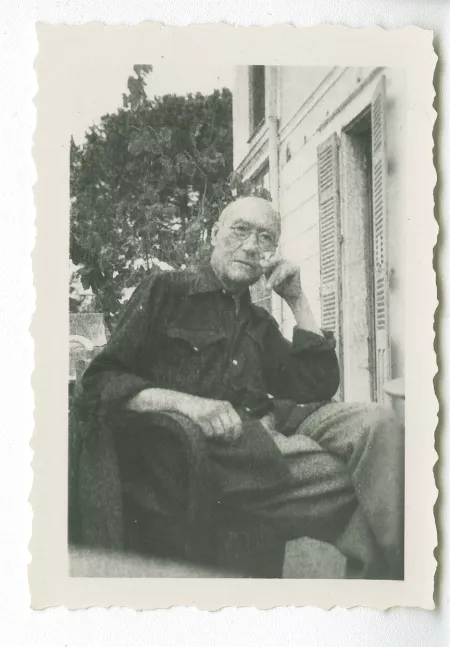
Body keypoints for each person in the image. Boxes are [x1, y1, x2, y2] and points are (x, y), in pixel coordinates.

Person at [75, 196, 404, 579]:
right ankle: (393, 599)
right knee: (367, 488)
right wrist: (189, 405)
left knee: (380, 421)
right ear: (215, 234)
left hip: (269, 429)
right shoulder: (165, 291)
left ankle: (391, 592)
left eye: (265, 238)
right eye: (241, 230)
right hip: (209, 455)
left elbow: (316, 383)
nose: (251, 245)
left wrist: (298, 299)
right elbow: (100, 382)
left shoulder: (258, 320)